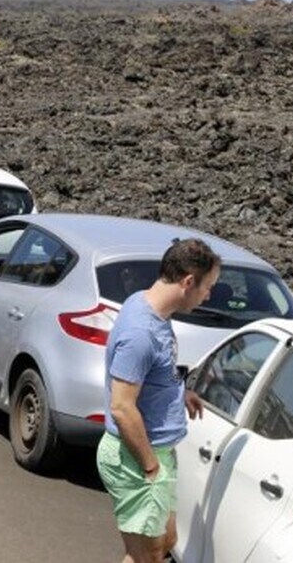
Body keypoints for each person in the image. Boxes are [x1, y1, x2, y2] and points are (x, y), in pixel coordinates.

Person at [98, 239, 215, 563]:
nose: (209, 295)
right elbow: (122, 407)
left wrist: (178, 392)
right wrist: (151, 467)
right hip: (135, 458)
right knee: (146, 556)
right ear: (188, 281)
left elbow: (150, 375)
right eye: (208, 287)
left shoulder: (147, 304)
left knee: (164, 542)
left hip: (152, 454)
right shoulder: (141, 332)